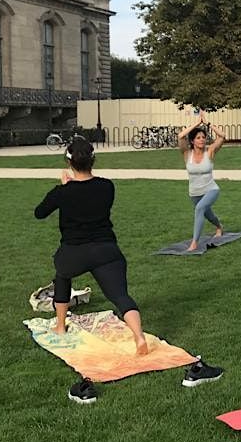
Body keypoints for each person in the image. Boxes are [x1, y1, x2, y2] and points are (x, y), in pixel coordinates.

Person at [33, 138, 224, 398]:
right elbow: (90, 196)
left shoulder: (62, 192)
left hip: (74, 252)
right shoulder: (106, 186)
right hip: (107, 251)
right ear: (93, 160)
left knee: (62, 276)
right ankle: (138, 336)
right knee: (120, 296)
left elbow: (40, 212)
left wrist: (62, 187)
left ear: (68, 162)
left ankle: (59, 325)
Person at [178, 112, 228, 252]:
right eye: (198, 138)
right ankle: (219, 226)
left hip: (211, 189)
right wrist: (196, 124)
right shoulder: (187, 154)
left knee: (200, 209)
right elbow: (180, 136)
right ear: (192, 141)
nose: (202, 140)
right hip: (194, 193)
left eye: (204, 137)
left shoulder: (210, 151)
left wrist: (207, 124)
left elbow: (222, 136)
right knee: (209, 215)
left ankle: (194, 243)